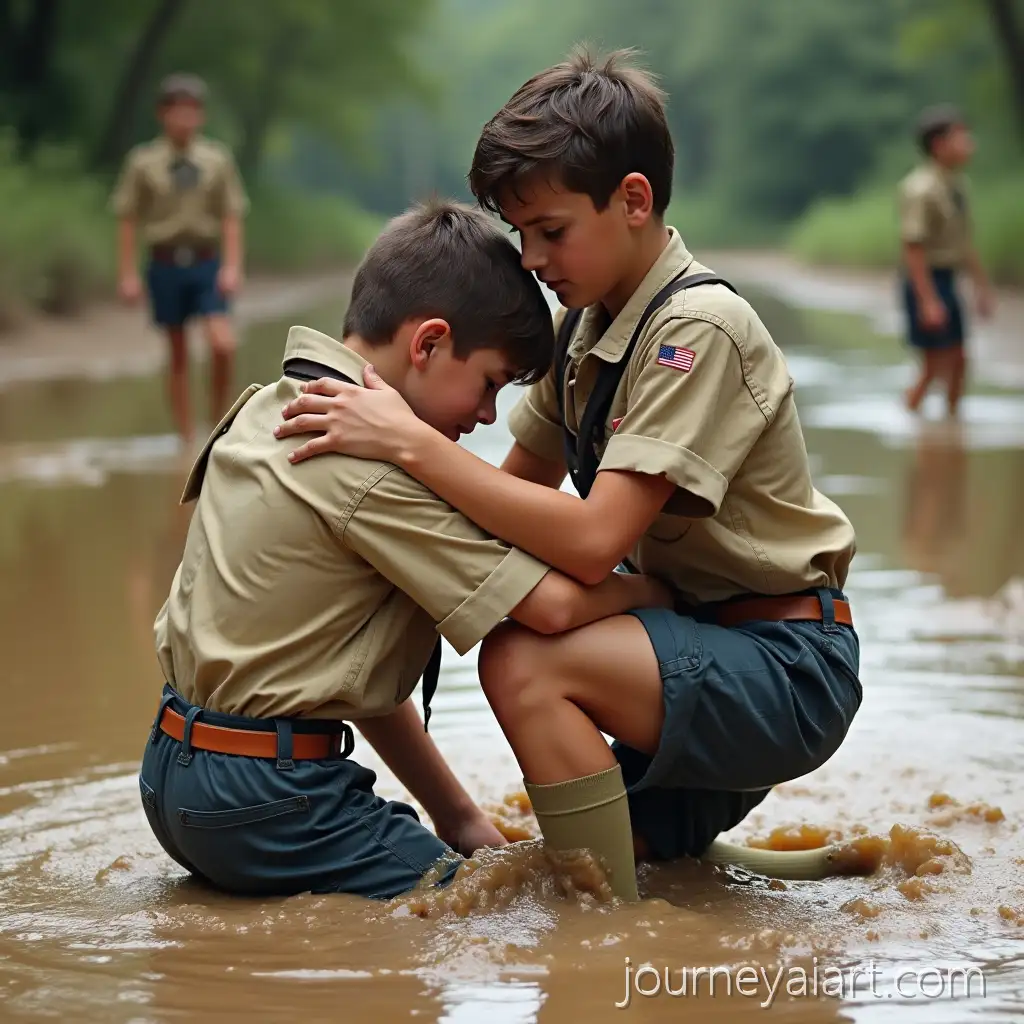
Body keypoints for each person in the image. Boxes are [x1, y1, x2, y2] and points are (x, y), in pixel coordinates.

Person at [274, 48, 865, 893]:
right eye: (521, 235)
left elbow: (590, 542)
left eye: (551, 230)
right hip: (687, 654)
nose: (534, 259)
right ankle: (650, 873)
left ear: (633, 200)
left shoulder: (697, 327)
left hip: (782, 666)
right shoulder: (582, 336)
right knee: (629, 847)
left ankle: (601, 938)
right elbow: (508, 503)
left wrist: (407, 440)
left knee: (523, 661)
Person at [139, 200, 674, 901]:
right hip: (269, 799)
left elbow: (346, 678)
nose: (487, 415)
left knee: (462, 883)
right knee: (501, 915)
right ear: (427, 343)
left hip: (173, 779)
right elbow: (547, 609)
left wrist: (460, 820)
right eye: (489, 383)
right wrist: (662, 591)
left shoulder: (269, 407)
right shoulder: (366, 467)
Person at [111, 73, 248, 447]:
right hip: (165, 262)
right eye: (178, 111)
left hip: (206, 262)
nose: (185, 120)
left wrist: (233, 266)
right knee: (177, 352)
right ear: (163, 114)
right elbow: (128, 217)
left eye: (192, 112)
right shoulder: (143, 162)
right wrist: (127, 274)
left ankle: (218, 426)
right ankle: (186, 438)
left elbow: (231, 214)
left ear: (201, 116)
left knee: (222, 343)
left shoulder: (216, 160)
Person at [899, 104, 995, 418]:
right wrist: (928, 300)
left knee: (960, 358)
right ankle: (910, 418)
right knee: (934, 363)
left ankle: (952, 423)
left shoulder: (957, 185)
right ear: (939, 145)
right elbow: (913, 248)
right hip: (925, 279)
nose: (970, 144)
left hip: (947, 278)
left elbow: (964, 242)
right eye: (961, 137)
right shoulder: (919, 188)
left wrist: (982, 287)